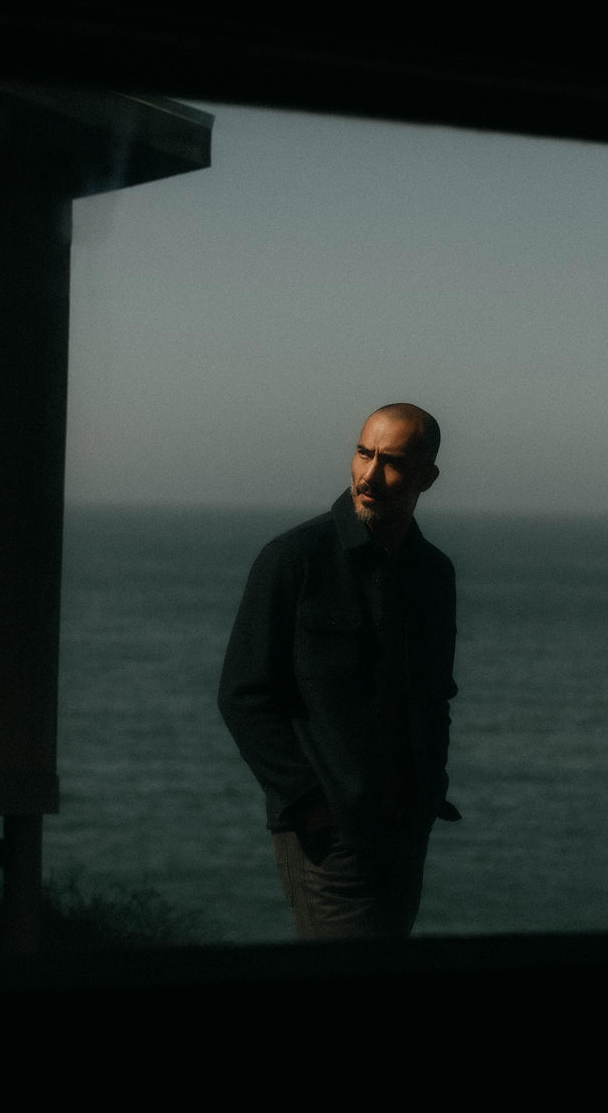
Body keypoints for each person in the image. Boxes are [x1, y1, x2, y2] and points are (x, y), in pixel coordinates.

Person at [218, 402, 459, 940]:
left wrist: (427, 793)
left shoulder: (434, 574)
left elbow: (435, 697)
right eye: (363, 453)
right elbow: (242, 695)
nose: (369, 474)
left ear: (428, 478)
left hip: (405, 829)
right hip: (330, 837)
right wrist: (310, 805)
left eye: (392, 461)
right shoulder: (294, 558)